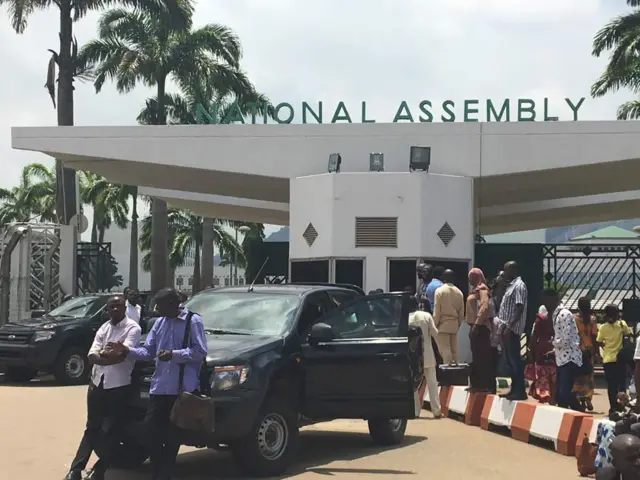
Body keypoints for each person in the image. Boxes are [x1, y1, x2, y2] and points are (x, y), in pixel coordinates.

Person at [107, 288, 208, 480]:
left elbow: (200, 352)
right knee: (150, 432)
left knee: (172, 438)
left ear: (172, 304)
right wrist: (126, 350)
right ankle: (158, 472)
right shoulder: (159, 323)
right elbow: (147, 352)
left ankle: (164, 474)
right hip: (160, 387)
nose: (156, 308)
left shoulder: (192, 321)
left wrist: (174, 354)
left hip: (181, 391)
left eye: (159, 305)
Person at [64, 295, 141, 480]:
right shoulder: (104, 328)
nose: (115, 310)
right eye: (112, 307)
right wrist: (109, 356)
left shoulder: (133, 328)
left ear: (125, 308)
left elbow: (122, 356)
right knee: (92, 428)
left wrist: (106, 355)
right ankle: (76, 469)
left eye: (118, 306)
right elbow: (92, 356)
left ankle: (100, 470)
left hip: (119, 385)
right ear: (107, 309)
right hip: (97, 383)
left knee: (112, 430)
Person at [542, 288, 583, 410]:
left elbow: (567, 339)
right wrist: (554, 351)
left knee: (564, 394)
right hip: (562, 358)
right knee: (564, 394)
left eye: (546, 301)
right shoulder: (556, 314)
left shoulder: (564, 314)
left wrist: (553, 343)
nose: (545, 304)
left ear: (553, 299)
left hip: (569, 359)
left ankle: (575, 416)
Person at [497, 261, 528, 401]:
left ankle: (520, 391)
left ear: (512, 270)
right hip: (506, 329)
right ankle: (514, 389)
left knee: (515, 361)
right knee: (510, 361)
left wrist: (509, 327)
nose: (504, 273)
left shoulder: (519, 286)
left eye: (506, 270)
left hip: (512, 331)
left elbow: (519, 307)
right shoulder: (510, 286)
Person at [408, 297, 442, 419]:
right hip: (427, 353)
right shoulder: (426, 316)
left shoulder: (406, 318)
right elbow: (435, 333)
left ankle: (415, 411)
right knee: (432, 382)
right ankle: (436, 411)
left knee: (414, 385)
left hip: (413, 356)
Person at [597, 304, 632, 416]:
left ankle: (612, 408)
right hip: (620, 360)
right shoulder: (622, 324)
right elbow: (628, 336)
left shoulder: (603, 327)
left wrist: (606, 348)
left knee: (611, 386)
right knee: (622, 384)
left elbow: (599, 341)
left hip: (608, 360)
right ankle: (622, 407)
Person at [466, 268, 494, 392]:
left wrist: (477, 324)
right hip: (475, 327)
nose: (469, 279)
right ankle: (477, 384)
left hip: (481, 328)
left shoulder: (482, 289)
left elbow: (484, 306)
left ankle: (483, 385)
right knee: (476, 356)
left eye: (471, 277)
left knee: (481, 356)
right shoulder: (475, 290)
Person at [525, 306, 556, 404]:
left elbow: (534, 335)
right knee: (552, 373)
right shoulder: (554, 319)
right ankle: (553, 396)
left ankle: (543, 394)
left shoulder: (539, 321)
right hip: (551, 347)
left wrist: (530, 349)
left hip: (540, 349)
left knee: (541, 373)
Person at [433, 269, 464, 364]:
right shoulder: (459, 292)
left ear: (444, 279)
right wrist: (457, 325)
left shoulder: (439, 291)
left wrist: (433, 326)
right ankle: (455, 374)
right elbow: (461, 314)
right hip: (454, 325)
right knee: (454, 351)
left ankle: (448, 373)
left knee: (445, 351)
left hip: (442, 325)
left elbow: (437, 312)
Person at [572, 297, 597, 412]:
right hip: (589, 350)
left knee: (578, 376)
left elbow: (573, 335)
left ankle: (580, 399)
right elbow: (594, 336)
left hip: (578, 351)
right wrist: (596, 352)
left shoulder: (574, 319)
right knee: (589, 375)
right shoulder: (592, 319)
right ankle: (587, 396)